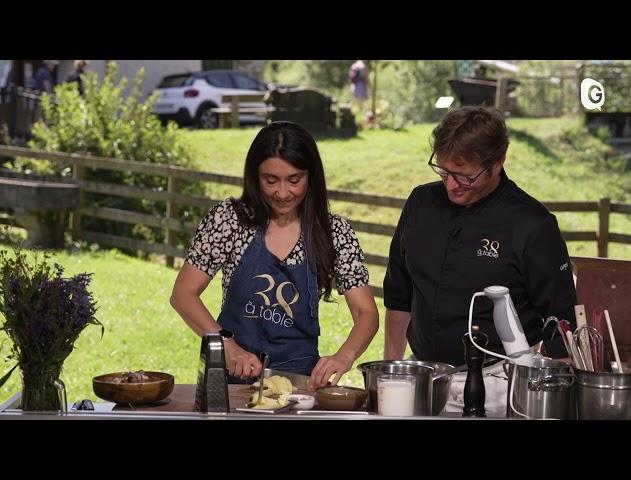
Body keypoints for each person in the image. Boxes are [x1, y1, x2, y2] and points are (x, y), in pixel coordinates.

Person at [383, 106, 577, 416]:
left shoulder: (532, 224)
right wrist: (391, 372)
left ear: (498, 162)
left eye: (465, 176)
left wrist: (559, 402)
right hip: (421, 378)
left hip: (499, 387)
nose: (452, 185)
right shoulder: (421, 203)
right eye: (444, 171)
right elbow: (398, 294)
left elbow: (560, 318)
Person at [171, 121, 379, 389]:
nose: (282, 193)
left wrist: (344, 356)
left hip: (299, 383)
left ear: (311, 177)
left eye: (294, 180)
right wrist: (226, 344)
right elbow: (183, 295)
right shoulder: (230, 220)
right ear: (255, 177)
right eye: (270, 180)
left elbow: (366, 312)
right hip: (230, 380)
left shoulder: (333, 232)